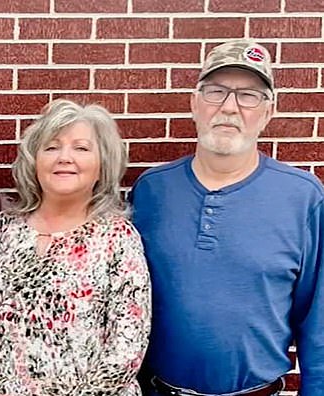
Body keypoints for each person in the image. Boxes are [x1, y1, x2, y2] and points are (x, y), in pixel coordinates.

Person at [131, 39, 324, 396]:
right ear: (194, 103)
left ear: (268, 112)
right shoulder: (151, 191)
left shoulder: (303, 197)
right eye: (216, 91)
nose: (230, 108)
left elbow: (319, 319)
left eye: (249, 95)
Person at [0, 99, 151, 396]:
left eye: (81, 148)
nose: (64, 157)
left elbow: (127, 346)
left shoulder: (118, 237)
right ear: (34, 160)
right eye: (52, 147)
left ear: (102, 165)